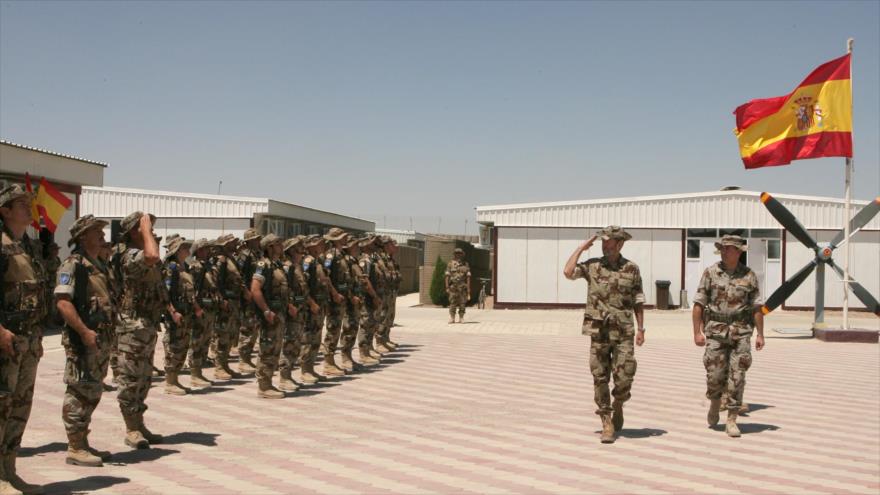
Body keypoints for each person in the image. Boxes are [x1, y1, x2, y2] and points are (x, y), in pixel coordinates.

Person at [563, 226, 645, 444]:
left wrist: (642, 329)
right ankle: (606, 421)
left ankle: (619, 402)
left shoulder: (632, 268)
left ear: (620, 244)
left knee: (625, 376)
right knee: (600, 377)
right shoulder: (593, 266)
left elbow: (638, 299)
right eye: (603, 243)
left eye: (609, 243)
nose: (605, 246)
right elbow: (568, 272)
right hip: (599, 331)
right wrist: (581, 248)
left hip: (624, 331)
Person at [55, 215, 115, 467]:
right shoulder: (73, 265)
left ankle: (82, 440)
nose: (102, 235)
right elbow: (63, 302)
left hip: (100, 338)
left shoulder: (99, 264)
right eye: (96, 231)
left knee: (92, 389)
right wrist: (83, 332)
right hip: (84, 339)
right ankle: (75, 446)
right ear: (82, 236)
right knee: (79, 390)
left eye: (101, 230)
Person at [0, 184, 48, 494]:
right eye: (21, 203)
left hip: (28, 340)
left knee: (20, 406)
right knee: (1, 406)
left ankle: (9, 470)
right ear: (4, 211)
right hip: (6, 340)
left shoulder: (30, 247)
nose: (28, 208)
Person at [692, 234, 764, 438]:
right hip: (715, 331)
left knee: (738, 376)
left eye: (729, 248)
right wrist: (697, 332)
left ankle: (732, 418)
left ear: (739, 251)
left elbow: (757, 306)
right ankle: (715, 402)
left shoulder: (749, 275)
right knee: (714, 375)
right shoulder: (711, 273)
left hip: (741, 331)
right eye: (722, 248)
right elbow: (698, 304)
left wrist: (760, 334)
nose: (725, 251)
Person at [114, 211, 166, 449]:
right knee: (130, 380)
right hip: (130, 327)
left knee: (144, 379)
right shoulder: (128, 255)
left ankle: (139, 422)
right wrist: (145, 231)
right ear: (133, 232)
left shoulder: (142, 254)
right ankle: (131, 428)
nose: (152, 230)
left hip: (147, 325)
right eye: (147, 227)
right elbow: (152, 254)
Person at [250, 234, 290, 398]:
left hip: (278, 313)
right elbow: (255, 289)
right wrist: (266, 310)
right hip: (270, 314)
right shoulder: (263, 265)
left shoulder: (276, 265)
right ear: (270, 247)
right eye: (278, 244)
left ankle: (268, 384)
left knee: (275, 348)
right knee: (267, 349)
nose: (282, 247)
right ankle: (263, 386)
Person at [162, 237, 197, 395]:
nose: (187, 250)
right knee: (174, 346)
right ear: (177, 251)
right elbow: (166, 293)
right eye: (184, 248)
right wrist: (173, 312)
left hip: (187, 312)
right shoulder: (172, 268)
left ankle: (175, 379)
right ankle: (170, 381)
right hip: (177, 312)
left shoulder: (186, 267)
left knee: (183, 345)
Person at [186, 238, 219, 388]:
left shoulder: (209, 265)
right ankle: (194, 373)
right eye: (205, 249)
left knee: (205, 340)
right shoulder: (195, 267)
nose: (208, 251)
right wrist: (196, 307)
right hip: (200, 308)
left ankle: (199, 371)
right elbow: (192, 288)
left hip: (210, 307)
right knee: (197, 341)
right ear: (199, 251)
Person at [213, 234, 246, 381]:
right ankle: (219, 367)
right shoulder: (221, 261)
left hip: (234, 301)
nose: (235, 245)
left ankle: (225, 364)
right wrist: (222, 299)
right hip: (226, 301)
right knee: (222, 335)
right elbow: (216, 282)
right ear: (225, 245)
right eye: (232, 243)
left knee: (230, 334)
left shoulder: (231, 258)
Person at [320, 228, 351, 377]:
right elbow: (326, 278)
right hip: (334, 299)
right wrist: (334, 293)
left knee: (337, 329)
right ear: (337, 239)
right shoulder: (330, 256)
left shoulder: (341, 254)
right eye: (343, 237)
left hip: (341, 297)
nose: (346, 239)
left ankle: (331, 361)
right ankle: (328, 363)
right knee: (332, 330)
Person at [236, 228, 262, 374]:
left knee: (254, 328)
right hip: (248, 297)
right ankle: (243, 360)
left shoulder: (258, 254)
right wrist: (245, 291)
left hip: (256, 296)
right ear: (249, 241)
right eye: (256, 239)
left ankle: (247, 357)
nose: (258, 241)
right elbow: (238, 276)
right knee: (247, 328)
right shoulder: (244, 255)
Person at [445, 248, 471, 324]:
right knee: (452, 303)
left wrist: (469, 289)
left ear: (462, 254)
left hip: (462, 287)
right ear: (454, 254)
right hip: (453, 287)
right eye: (457, 253)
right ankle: (452, 318)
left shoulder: (465, 264)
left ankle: (461, 318)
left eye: (460, 253)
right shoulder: (450, 264)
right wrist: (446, 287)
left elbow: (468, 277)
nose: (458, 255)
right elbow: (447, 276)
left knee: (462, 303)